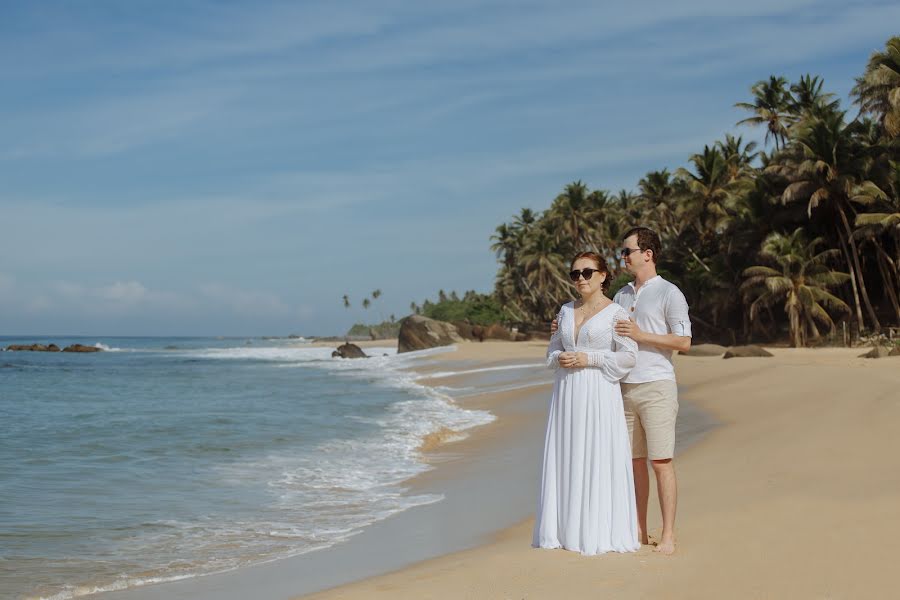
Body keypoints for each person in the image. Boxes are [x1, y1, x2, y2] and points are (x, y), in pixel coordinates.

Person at [550, 227, 692, 555]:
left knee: (661, 462)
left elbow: (684, 342)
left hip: (656, 385)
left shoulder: (670, 293)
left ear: (648, 254)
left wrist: (643, 335)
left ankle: (668, 534)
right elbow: (597, 325)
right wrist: (562, 326)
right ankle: (639, 530)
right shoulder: (623, 295)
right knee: (632, 462)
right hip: (620, 388)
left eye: (628, 251)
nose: (623, 256)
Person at [533, 252, 640, 555]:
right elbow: (551, 353)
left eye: (587, 272)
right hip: (566, 391)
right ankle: (564, 530)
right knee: (568, 452)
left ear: (604, 276)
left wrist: (588, 358)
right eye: (575, 273)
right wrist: (560, 357)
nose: (580, 278)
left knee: (596, 452)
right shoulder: (565, 311)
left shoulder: (617, 314)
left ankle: (597, 530)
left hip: (598, 391)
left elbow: (629, 356)